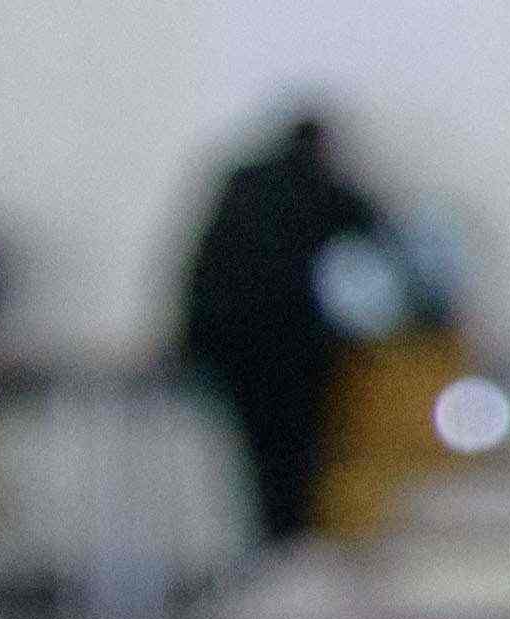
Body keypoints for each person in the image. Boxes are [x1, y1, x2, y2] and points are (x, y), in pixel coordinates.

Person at [172, 104, 446, 548]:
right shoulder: (321, 188)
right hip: (285, 355)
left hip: (223, 353)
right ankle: (291, 558)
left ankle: (277, 556)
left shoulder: (240, 184)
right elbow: (390, 243)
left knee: (259, 467)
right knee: (295, 467)